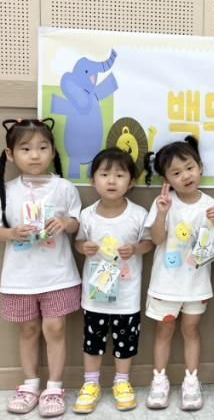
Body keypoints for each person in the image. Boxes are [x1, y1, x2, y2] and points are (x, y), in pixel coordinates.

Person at [0, 118, 81, 417]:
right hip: (19, 277)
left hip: (57, 274)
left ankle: (54, 387)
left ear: (53, 151)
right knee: (28, 329)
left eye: (42, 147)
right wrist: (11, 233)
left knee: (55, 328)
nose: (35, 155)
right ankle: (30, 384)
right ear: (11, 154)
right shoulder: (6, 190)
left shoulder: (64, 188)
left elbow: (77, 223)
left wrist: (65, 222)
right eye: (26, 149)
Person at [142, 136, 214, 411]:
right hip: (165, 283)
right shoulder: (164, 202)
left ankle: (191, 380)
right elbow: (155, 239)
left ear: (200, 167)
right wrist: (162, 213)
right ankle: (159, 379)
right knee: (163, 330)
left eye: (189, 168)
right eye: (176, 173)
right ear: (166, 179)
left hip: (196, 284)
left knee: (191, 329)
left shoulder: (211, 205)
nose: (185, 176)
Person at [72, 148, 154, 413]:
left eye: (119, 175)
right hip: (95, 295)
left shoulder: (138, 214)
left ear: (131, 182)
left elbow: (149, 243)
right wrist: (84, 248)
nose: (111, 180)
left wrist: (136, 249)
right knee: (92, 341)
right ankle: (90, 384)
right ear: (93, 180)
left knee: (125, 342)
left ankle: (122, 382)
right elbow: (78, 242)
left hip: (127, 296)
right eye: (104, 174)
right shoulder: (87, 215)